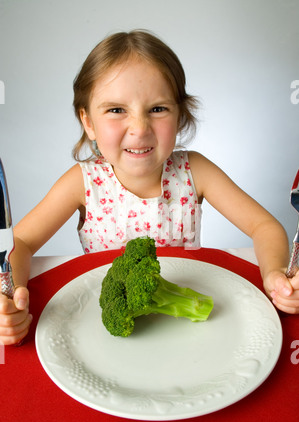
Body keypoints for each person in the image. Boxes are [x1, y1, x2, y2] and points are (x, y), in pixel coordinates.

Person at [0, 29, 298, 345]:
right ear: (88, 122)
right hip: (105, 334)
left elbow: (264, 226)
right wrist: (8, 294)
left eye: (157, 109)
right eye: (116, 110)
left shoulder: (195, 171)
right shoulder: (82, 182)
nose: (140, 128)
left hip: (187, 332)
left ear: (180, 115)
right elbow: (20, 241)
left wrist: (275, 275)